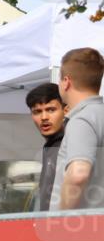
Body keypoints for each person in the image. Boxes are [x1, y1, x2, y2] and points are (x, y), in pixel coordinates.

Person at [51, 47, 104, 210]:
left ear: (66, 82)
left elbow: (78, 174)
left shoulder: (82, 119)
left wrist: (60, 220)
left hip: (83, 230)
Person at [25, 83, 68, 211]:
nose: (44, 117)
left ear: (66, 110)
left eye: (51, 110)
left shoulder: (69, 143)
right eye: (37, 112)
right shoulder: (50, 146)